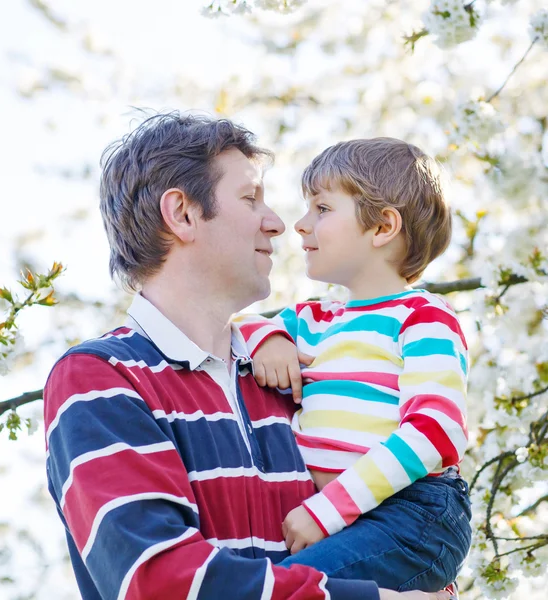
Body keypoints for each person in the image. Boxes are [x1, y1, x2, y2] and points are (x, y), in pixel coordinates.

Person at [44, 112, 456, 600]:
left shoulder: (296, 378)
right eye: (250, 198)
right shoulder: (103, 379)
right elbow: (158, 583)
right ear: (182, 213)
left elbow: (394, 540)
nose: (278, 223)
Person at [235, 138, 472, 592]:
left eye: (322, 209)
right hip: (349, 517)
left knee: (280, 590)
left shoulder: (423, 317)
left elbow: (436, 431)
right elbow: (236, 329)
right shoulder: (313, 319)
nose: (300, 226)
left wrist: (326, 512)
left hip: (410, 513)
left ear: (382, 226)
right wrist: (271, 339)